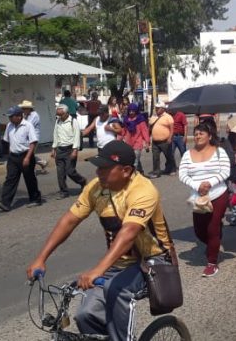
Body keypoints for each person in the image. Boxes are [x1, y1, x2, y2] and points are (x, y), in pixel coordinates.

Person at [27, 140, 175, 339]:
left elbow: (129, 233)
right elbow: (69, 221)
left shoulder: (143, 190)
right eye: (98, 167)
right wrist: (41, 258)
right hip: (119, 264)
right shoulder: (96, 188)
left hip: (153, 261)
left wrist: (98, 270)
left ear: (125, 170)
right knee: (85, 314)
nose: (98, 173)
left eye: (105, 168)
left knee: (118, 291)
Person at [178, 123, 230, 277]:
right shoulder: (188, 154)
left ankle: (212, 262)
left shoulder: (219, 152)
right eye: (196, 133)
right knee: (199, 231)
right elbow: (182, 174)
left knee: (212, 228)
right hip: (198, 197)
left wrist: (210, 183)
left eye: (201, 133)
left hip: (218, 193)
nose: (198, 136)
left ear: (210, 136)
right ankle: (214, 242)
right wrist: (198, 185)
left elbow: (226, 170)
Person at [0, 106, 41, 212]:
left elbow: (33, 142)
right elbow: (7, 140)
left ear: (19, 116)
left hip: (25, 155)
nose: (9, 119)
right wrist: (9, 155)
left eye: (11, 116)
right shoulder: (10, 125)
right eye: (9, 117)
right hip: (13, 157)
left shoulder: (28, 126)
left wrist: (28, 157)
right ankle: (5, 203)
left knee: (30, 178)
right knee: (10, 179)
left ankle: (35, 199)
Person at [51, 104, 87, 199]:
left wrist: (75, 150)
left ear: (66, 113)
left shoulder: (73, 121)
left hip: (70, 149)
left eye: (61, 114)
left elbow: (76, 136)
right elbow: (55, 134)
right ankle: (63, 191)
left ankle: (82, 181)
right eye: (58, 115)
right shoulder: (58, 121)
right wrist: (53, 148)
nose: (59, 116)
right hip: (60, 149)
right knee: (60, 173)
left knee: (70, 171)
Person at [148, 102, 176, 178]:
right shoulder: (153, 116)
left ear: (163, 109)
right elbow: (150, 128)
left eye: (158, 108)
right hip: (155, 141)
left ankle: (172, 169)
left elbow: (172, 129)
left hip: (165, 140)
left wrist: (170, 138)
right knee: (155, 157)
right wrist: (148, 139)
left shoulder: (168, 117)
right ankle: (156, 172)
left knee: (168, 156)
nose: (156, 109)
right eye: (156, 107)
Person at [20, 100, 48, 173]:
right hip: (27, 138)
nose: (23, 110)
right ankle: (42, 162)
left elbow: (27, 125)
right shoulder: (26, 115)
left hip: (33, 138)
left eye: (24, 109)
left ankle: (32, 169)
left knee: (29, 154)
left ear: (29, 108)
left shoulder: (34, 115)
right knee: (28, 154)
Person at [122, 103, 150, 175]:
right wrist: (118, 140)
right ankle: (141, 172)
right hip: (128, 143)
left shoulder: (140, 120)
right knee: (133, 159)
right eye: (130, 111)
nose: (131, 112)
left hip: (137, 143)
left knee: (135, 161)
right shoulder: (126, 120)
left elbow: (145, 132)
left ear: (136, 111)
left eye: (133, 111)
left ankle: (133, 176)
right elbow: (123, 131)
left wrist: (147, 143)